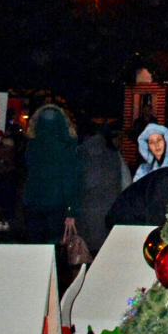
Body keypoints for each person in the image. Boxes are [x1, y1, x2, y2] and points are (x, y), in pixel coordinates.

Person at [21, 102, 81, 245]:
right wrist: (71, 211)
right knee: (52, 247)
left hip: (33, 202)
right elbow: (70, 180)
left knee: (35, 246)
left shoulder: (32, 146)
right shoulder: (66, 147)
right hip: (56, 204)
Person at [74, 123, 131, 255]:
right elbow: (126, 182)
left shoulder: (79, 154)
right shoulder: (114, 154)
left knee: (86, 256)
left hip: (85, 213)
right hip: (109, 211)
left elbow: (78, 183)